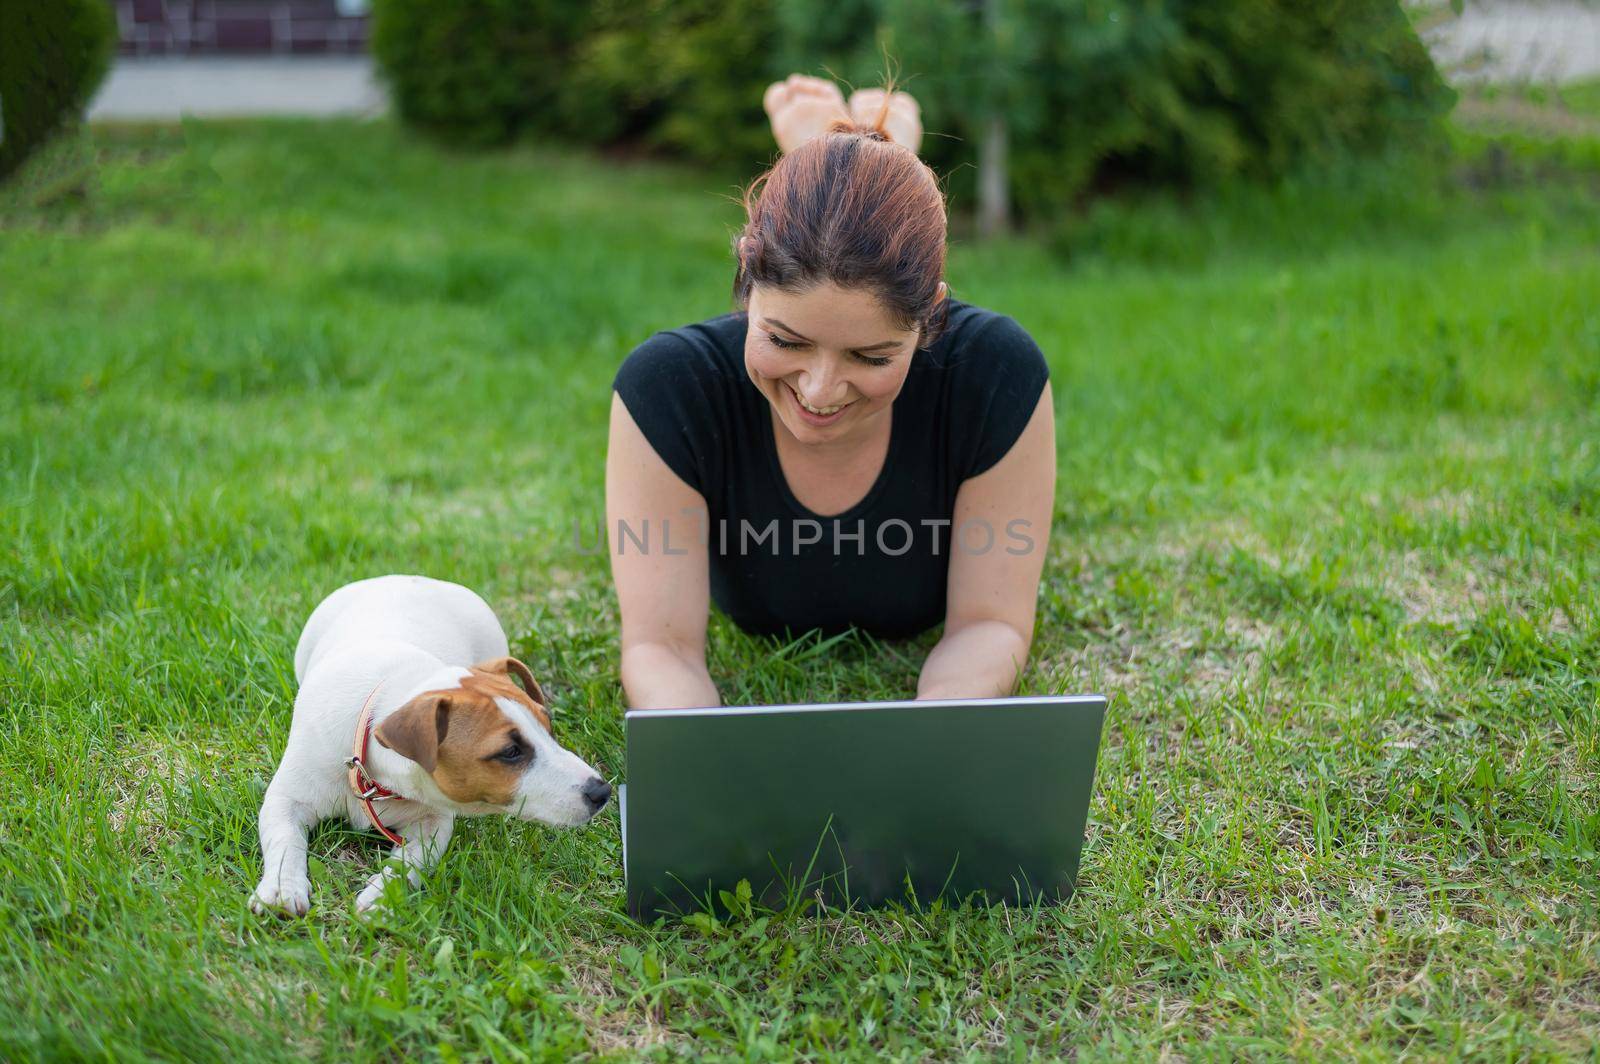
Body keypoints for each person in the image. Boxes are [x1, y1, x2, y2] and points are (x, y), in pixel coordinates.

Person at [606, 74, 1055, 710]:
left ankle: (868, 149)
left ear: (931, 317)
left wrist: (934, 728)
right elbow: (659, 647)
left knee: (848, 237)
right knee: (838, 237)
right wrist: (709, 762)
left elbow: (993, 623)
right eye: (784, 342)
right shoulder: (671, 389)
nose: (819, 392)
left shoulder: (992, 372)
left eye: (870, 356)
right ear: (744, 284)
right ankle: (873, 147)